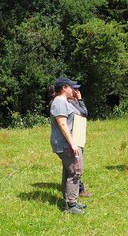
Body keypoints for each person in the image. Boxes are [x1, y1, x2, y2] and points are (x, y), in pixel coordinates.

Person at [50, 77, 86, 214]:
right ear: (64, 88)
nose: (74, 90)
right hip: (66, 143)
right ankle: (71, 205)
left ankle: (71, 201)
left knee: (68, 170)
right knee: (76, 170)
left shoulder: (64, 101)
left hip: (69, 142)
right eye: (71, 87)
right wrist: (72, 143)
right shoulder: (59, 102)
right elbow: (62, 123)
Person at [68, 85, 93, 197]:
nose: (78, 91)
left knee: (77, 162)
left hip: (78, 134)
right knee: (77, 163)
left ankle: (78, 188)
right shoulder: (70, 102)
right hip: (75, 135)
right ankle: (79, 189)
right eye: (75, 89)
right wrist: (80, 99)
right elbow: (84, 113)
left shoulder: (73, 101)